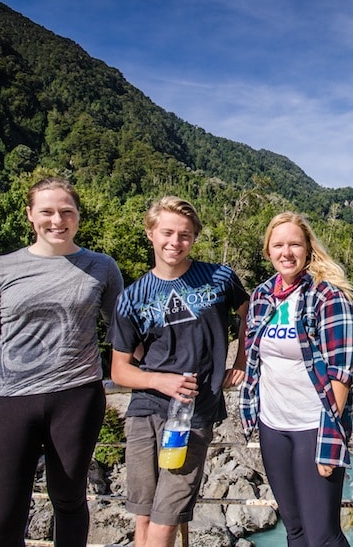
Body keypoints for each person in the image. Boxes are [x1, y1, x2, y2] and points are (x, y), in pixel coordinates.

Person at [0, 176, 124, 547]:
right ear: (30, 215)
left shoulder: (101, 267)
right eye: (46, 211)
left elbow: (122, 332)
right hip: (6, 401)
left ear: (78, 216)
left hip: (76, 397)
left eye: (67, 211)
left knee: (69, 501)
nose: (57, 220)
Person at [108, 196, 249, 547]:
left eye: (185, 235)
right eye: (167, 232)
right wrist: (160, 381)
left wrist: (242, 362)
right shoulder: (132, 297)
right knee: (144, 513)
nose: (175, 242)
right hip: (144, 412)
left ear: (195, 238)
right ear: (150, 234)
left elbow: (251, 314)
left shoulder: (219, 278)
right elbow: (120, 370)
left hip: (193, 415)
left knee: (166, 518)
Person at [240, 212, 353, 547]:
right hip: (273, 425)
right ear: (267, 251)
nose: (286, 252)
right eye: (278, 245)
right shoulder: (263, 295)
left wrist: (328, 441)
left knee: (323, 536)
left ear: (308, 248)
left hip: (313, 425)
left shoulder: (328, 295)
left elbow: (341, 372)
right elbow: (254, 354)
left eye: (295, 244)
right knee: (295, 530)